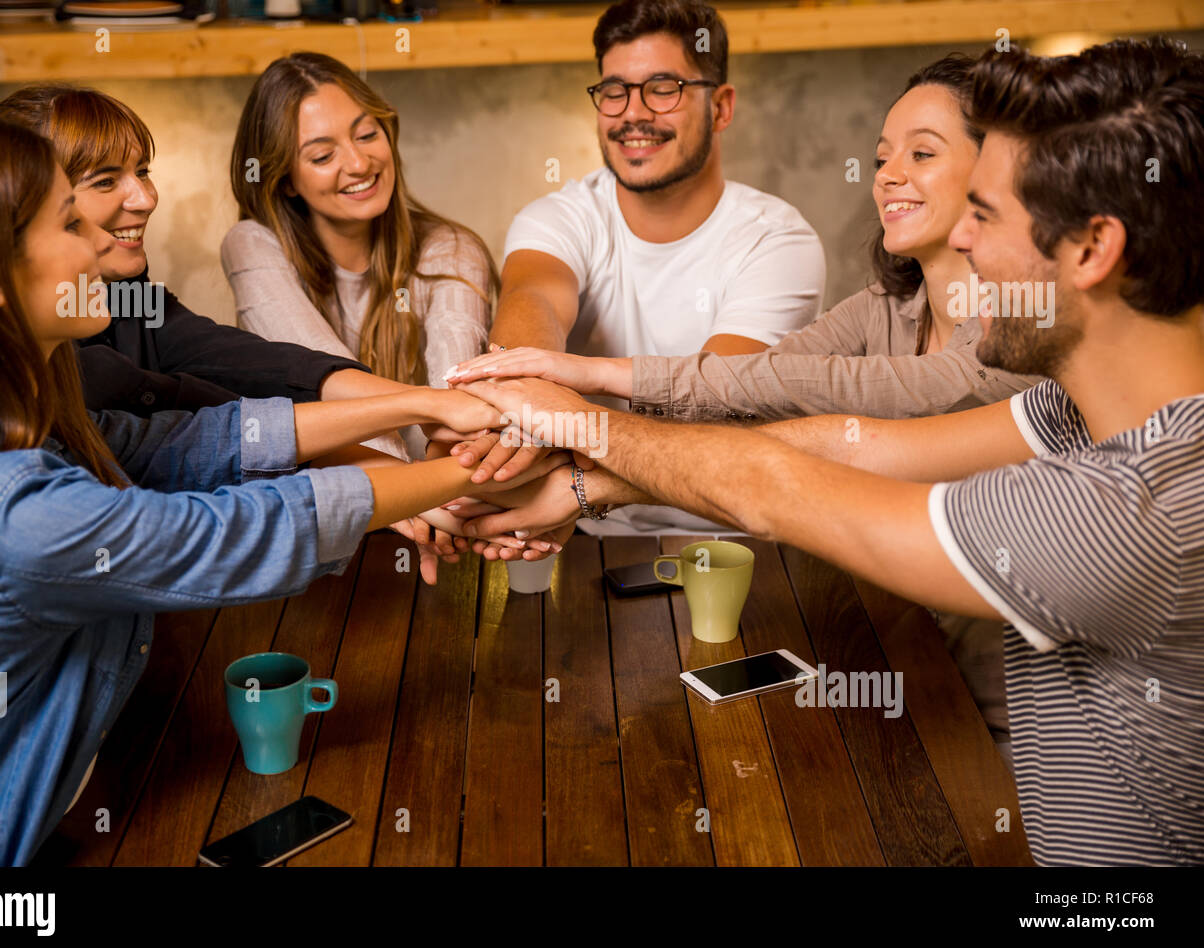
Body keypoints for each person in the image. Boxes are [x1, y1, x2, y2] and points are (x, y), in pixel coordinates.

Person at [456, 37, 1204, 866]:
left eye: (987, 216)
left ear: (1093, 250)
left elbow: (780, 489)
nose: (969, 248)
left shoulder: (1135, 509)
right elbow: (861, 446)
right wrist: (583, 487)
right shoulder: (1078, 410)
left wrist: (579, 427)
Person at [0, 119, 561, 866]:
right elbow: (226, 532)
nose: (100, 239)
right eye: (70, 220)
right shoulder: (7, 513)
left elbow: (200, 443)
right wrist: (485, 469)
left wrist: (424, 407)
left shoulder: (12, 421)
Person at [0, 84, 550, 578]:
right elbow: (221, 456)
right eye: (104, 183)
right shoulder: (28, 410)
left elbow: (263, 375)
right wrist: (450, 474)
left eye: (143, 172)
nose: (147, 199)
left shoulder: (124, 302)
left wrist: (439, 426)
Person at [447, 53, 1040, 423]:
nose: (886, 175)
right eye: (882, 157)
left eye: (922, 153)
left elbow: (859, 391)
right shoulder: (883, 309)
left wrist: (597, 380)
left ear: (999, 168)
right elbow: (752, 384)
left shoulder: (1028, 320)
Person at [473, 0, 826, 534]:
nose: (633, 112)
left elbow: (715, 406)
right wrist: (503, 423)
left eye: (663, 88)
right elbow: (534, 304)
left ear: (721, 107)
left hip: (741, 534)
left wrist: (562, 436)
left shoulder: (778, 241)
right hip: (581, 530)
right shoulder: (558, 217)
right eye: (614, 90)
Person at [221, 52, 496, 453]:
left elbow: (458, 411)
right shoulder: (251, 244)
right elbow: (328, 381)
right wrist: (411, 494)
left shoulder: (451, 249)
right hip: (349, 495)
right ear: (285, 181)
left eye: (367, 134)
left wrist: (436, 491)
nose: (359, 163)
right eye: (322, 155)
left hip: (444, 489)